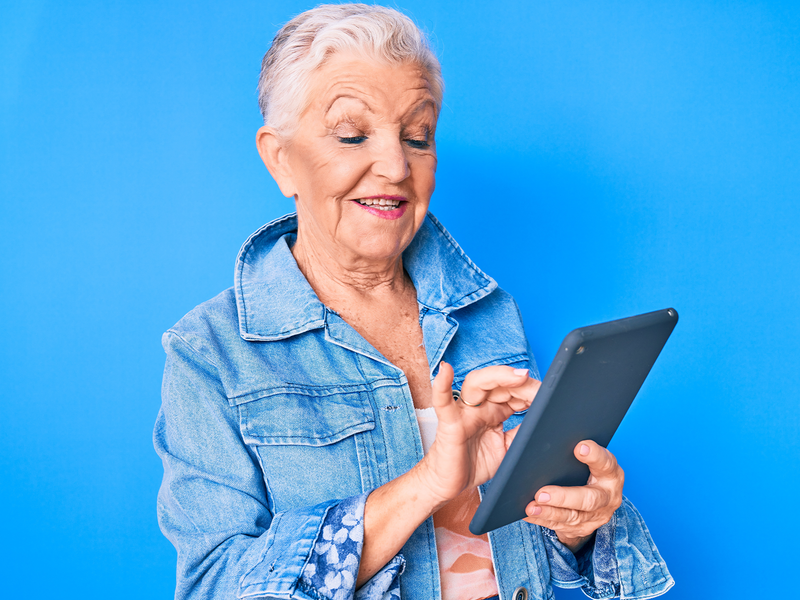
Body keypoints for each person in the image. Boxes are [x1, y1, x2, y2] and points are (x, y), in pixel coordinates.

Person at [154, 4, 674, 600]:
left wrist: (579, 521)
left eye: (417, 136)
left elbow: (509, 543)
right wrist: (427, 484)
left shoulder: (485, 311)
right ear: (279, 158)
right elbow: (212, 586)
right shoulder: (209, 354)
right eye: (352, 135)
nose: (397, 166)